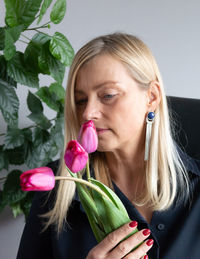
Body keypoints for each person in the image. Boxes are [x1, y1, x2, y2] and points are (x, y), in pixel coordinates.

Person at [17, 33, 200, 259]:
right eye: (81, 100)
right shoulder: (57, 191)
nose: (88, 113)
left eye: (108, 95)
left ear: (151, 97)